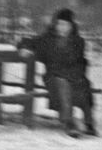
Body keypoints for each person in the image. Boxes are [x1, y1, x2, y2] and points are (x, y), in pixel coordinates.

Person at [17, 8, 97, 138]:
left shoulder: (78, 42)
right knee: (63, 83)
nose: (61, 27)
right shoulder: (48, 39)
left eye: (64, 24)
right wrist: (24, 48)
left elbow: (79, 62)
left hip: (74, 76)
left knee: (83, 86)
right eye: (59, 24)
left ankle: (89, 123)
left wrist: (75, 73)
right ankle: (68, 122)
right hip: (53, 77)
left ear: (71, 26)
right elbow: (28, 41)